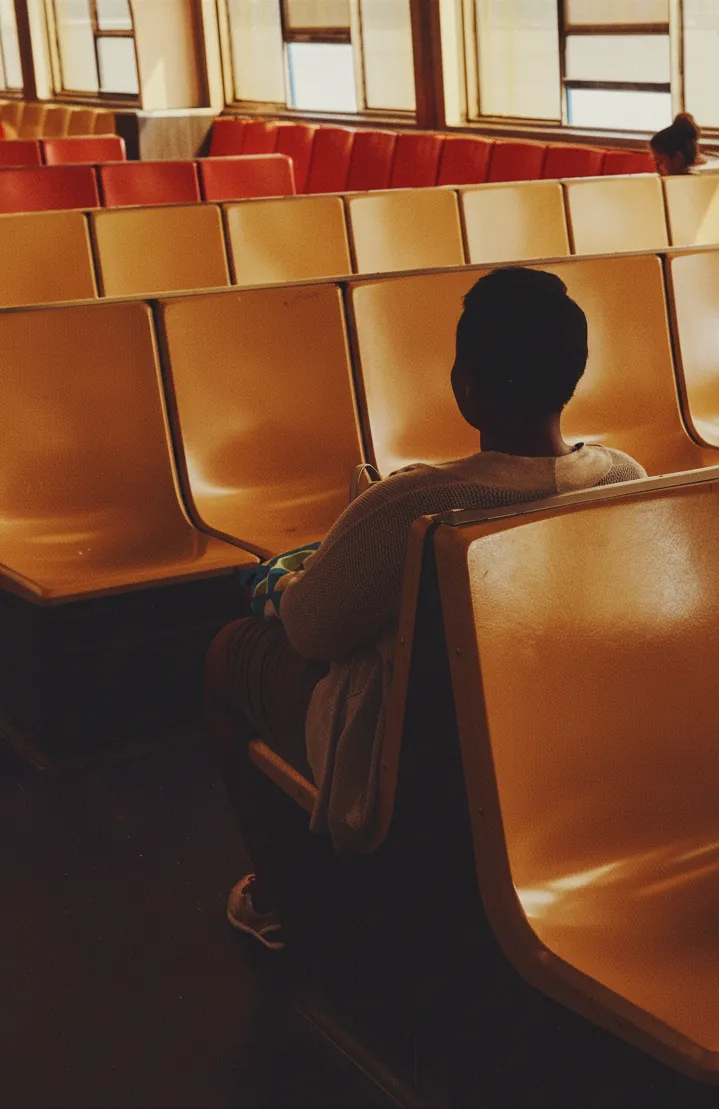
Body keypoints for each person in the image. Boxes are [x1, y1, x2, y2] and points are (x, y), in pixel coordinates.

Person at [206, 266, 647, 950]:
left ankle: (278, 894)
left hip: (416, 768)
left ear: (464, 384)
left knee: (229, 651)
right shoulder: (626, 481)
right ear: (574, 372)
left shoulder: (410, 507)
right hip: (560, 748)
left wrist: (286, 586)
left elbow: (310, 628)